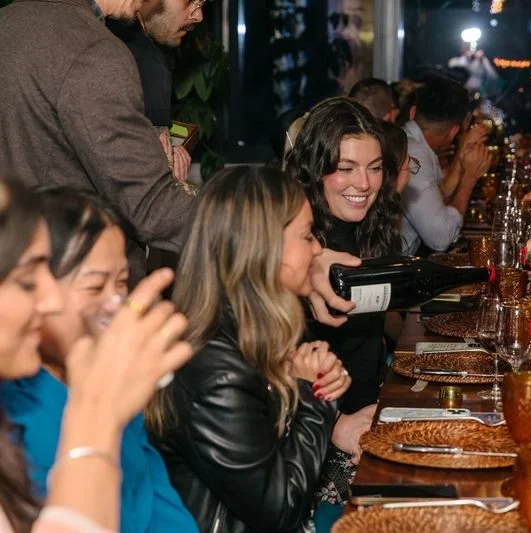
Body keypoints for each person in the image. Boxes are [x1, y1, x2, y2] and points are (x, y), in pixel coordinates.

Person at [146, 166, 350, 532]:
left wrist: (319, 381)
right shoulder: (211, 365)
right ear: (262, 249)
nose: (318, 248)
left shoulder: (255, 327)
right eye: (306, 236)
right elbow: (277, 508)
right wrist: (315, 398)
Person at [0, 178, 193, 531]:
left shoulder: (100, 377)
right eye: (94, 286)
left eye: (121, 282)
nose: (116, 304)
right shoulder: (22, 418)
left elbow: (152, 491)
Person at [0, 0, 198, 283]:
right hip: (77, 284)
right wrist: (254, 225)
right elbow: (149, 205)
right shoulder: (92, 51)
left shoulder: (9, 19)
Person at [284, 97, 399, 520]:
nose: (364, 183)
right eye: (346, 168)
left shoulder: (368, 226)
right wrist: (336, 426)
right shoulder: (293, 246)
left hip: (364, 417)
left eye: (374, 168)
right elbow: (264, 361)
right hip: (315, 444)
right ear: (315, 171)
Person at [107, 0, 206, 182]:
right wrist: (172, 179)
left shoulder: (92, 33)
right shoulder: (148, 65)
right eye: (190, 1)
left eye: (201, 4)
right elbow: (151, 180)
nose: (198, 16)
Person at [400, 76, 491, 255]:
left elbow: (440, 197)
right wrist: (469, 179)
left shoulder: (412, 141)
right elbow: (441, 238)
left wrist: (462, 155)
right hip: (393, 271)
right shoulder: (413, 152)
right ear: (453, 132)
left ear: (412, 112)